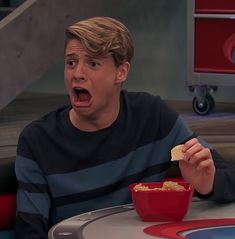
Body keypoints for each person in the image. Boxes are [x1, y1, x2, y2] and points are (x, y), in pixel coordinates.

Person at [14, 16, 235, 238]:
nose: (77, 74)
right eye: (71, 62)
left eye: (93, 64)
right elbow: (29, 232)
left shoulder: (153, 117)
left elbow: (229, 176)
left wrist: (208, 184)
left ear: (121, 72)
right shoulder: (37, 141)